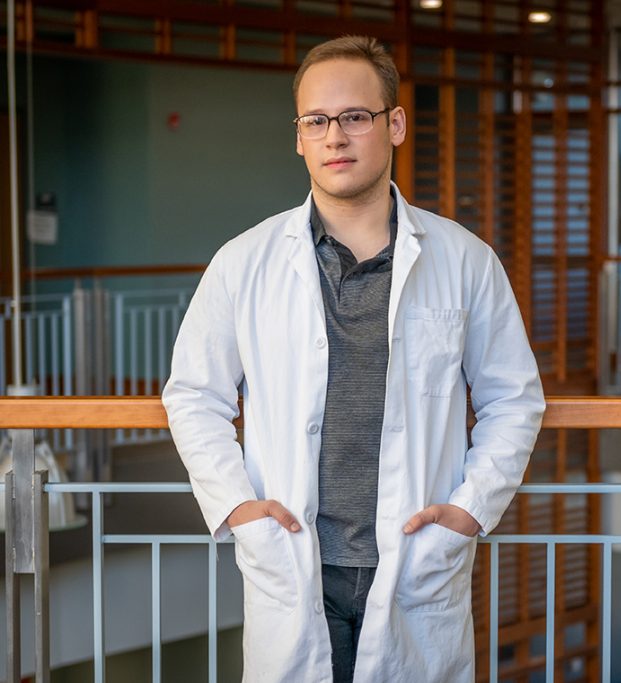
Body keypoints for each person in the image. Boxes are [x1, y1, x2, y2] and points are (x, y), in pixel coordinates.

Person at [162, 35, 545, 683]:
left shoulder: (464, 260)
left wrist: (469, 509)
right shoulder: (244, 262)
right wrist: (237, 506)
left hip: (418, 558)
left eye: (354, 117)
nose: (334, 136)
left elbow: (515, 398)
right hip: (295, 559)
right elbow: (194, 394)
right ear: (299, 138)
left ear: (393, 124)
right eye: (316, 120)